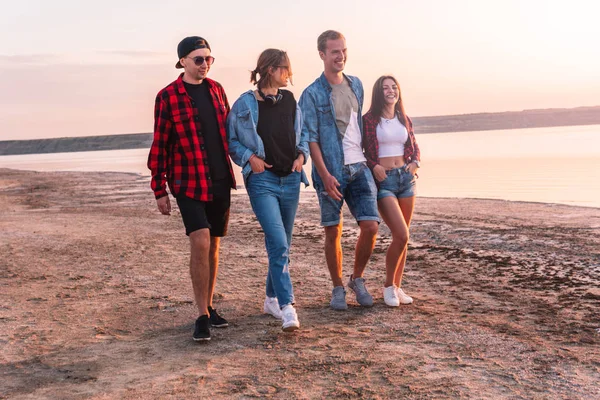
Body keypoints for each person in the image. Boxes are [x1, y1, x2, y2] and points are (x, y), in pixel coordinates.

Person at [148, 36, 236, 341]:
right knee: (199, 241)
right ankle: (200, 315)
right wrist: (158, 187)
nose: (205, 65)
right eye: (199, 59)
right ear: (183, 61)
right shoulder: (167, 97)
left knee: (213, 245)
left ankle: (209, 307)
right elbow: (160, 143)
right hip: (187, 180)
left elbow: (231, 133)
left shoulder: (217, 91)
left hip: (220, 179)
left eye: (209, 59)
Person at [227, 49, 309, 331]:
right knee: (279, 243)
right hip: (263, 181)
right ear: (271, 69)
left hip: (291, 180)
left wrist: (301, 158)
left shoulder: (290, 100)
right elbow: (232, 142)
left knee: (282, 244)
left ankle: (271, 298)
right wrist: (250, 158)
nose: (290, 74)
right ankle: (288, 307)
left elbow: (303, 134)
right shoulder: (245, 103)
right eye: (286, 68)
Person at [299, 30, 380, 310]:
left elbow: (359, 125)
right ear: (322, 55)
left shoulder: (356, 84)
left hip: (359, 167)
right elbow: (310, 137)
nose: (340, 56)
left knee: (370, 226)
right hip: (330, 171)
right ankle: (337, 288)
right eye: (334, 51)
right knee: (333, 231)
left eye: (343, 50)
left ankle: (357, 279)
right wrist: (324, 174)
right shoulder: (311, 94)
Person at [362, 75, 421, 306]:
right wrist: (373, 166)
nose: (391, 91)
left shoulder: (403, 118)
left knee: (403, 237)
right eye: (386, 88)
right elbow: (360, 150)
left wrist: (415, 162)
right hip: (384, 181)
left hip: (406, 180)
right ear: (379, 93)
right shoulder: (369, 120)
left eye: (394, 87)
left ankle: (397, 286)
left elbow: (414, 146)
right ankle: (388, 287)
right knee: (402, 234)